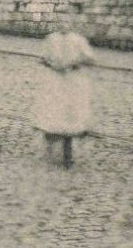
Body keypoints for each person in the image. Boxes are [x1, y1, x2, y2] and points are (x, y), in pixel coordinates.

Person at [35, 18, 96, 166]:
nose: (64, 25)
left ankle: (68, 154)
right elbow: (42, 58)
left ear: (72, 25)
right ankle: (49, 146)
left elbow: (90, 59)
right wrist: (52, 64)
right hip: (54, 81)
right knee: (53, 112)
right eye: (61, 22)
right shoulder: (51, 39)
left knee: (70, 114)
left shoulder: (79, 40)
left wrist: (74, 63)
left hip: (72, 82)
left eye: (67, 22)